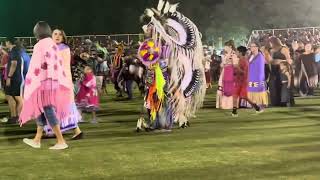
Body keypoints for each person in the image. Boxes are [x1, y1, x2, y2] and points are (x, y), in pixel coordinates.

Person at [20, 21, 73, 150]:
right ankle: (37, 139)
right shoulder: (53, 44)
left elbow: (35, 66)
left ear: (37, 33)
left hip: (43, 83)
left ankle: (61, 141)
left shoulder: (40, 45)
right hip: (53, 82)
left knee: (47, 110)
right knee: (40, 109)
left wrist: (28, 81)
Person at [43, 29, 83, 140]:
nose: (57, 36)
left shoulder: (63, 48)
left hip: (61, 82)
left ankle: (75, 131)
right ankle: (56, 131)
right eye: (55, 34)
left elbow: (61, 67)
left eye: (60, 34)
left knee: (62, 107)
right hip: (55, 81)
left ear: (63, 37)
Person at [232, 46, 262, 117]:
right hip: (238, 81)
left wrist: (237, 67)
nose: (235, 53)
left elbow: (244, 72)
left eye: (237, 51)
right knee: (235, 95)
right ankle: (234, 111)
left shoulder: (244, 61)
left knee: (244, 96)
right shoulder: (240, 60)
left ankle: (257, 107)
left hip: (244, 81)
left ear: (240, 52)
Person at [269, 37, 294, 107]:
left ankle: (285, 101)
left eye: (270, 42)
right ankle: (276, 102)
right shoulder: (271, 50)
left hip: (283, 69)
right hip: (274, 70)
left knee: (284, 85)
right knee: (274, 85)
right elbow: (271, 61)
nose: (269, 44)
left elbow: (289, 60)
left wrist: (280, 61)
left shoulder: (283, 49)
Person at [4, 37, 24, 124]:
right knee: (9, 96)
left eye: (6, 42)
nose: (5, 44)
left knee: (18, 98)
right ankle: (14, 116)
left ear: (9, 42)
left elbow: (14, 64)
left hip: (15, 78)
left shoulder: (14, 51)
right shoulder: (14, 50)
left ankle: (18, 116)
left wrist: (9, 77)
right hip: (14, 78)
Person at [247, 42, 269, 108]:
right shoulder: (251, 56)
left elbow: (259, 67)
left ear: (257, 47)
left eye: (252, 46)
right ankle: (252, 102)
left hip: (257, 77)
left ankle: (259, 102)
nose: (251, 48)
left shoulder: (260, 56)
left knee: (257, 88)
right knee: (251, 89)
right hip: (251, 76)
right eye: (250, 46)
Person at [216, 40, 235, 109]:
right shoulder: (226, 54)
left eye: (225, 46)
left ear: (230, 46)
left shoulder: (233, 54)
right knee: (221, 85)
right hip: (224, 71)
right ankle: (222, 103)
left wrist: (227, 63)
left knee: (229, 87)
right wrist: (224, 63)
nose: (224, 48)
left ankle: (229, 104)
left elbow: (235, 64)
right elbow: (221, 64)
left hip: (230, 71)